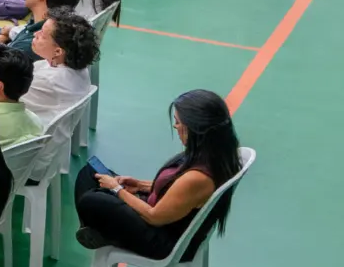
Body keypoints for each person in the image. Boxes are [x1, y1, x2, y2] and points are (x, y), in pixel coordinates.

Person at [76, 88, 242, 258]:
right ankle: (95, 231)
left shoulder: (198, 178)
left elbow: (154, 216)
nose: (175, 126)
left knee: (92, 199)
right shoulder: (214, 152)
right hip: (161, 216)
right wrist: (140, 185)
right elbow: (178, 190)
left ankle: (99, 232)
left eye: (178, 122)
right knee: (89, 173)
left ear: (195, 127)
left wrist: (119, 190)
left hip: (163, 240)